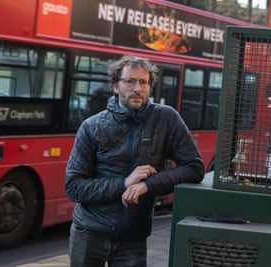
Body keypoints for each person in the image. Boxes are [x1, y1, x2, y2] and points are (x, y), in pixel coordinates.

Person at [65, 55, 205, 267]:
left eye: (143, 82)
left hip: (133, 238)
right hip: (89, 233)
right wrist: (124, 183)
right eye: (129, 81)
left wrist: (147, 185)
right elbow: (74, 187)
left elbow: (194, 168)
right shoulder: (92, 126)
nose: (137, 88)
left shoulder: (166, 119)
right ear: (115, 86)